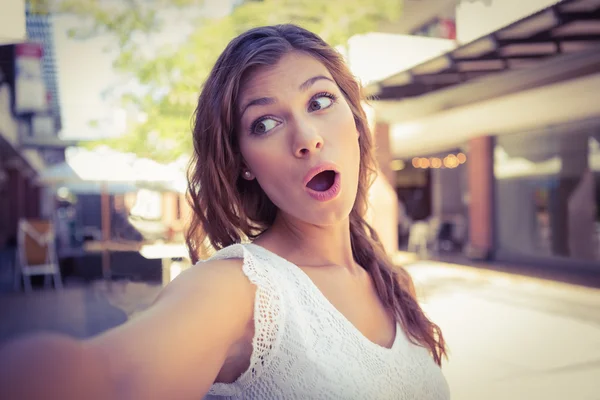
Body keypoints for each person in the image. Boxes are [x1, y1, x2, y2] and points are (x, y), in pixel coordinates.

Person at [0, 24, 448, 399]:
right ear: (243, 164)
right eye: (265, 123)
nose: (307, 136)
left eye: (319, 101)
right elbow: (107, 376)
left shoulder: (392, 282)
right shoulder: (242, 288)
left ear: (354, 119)